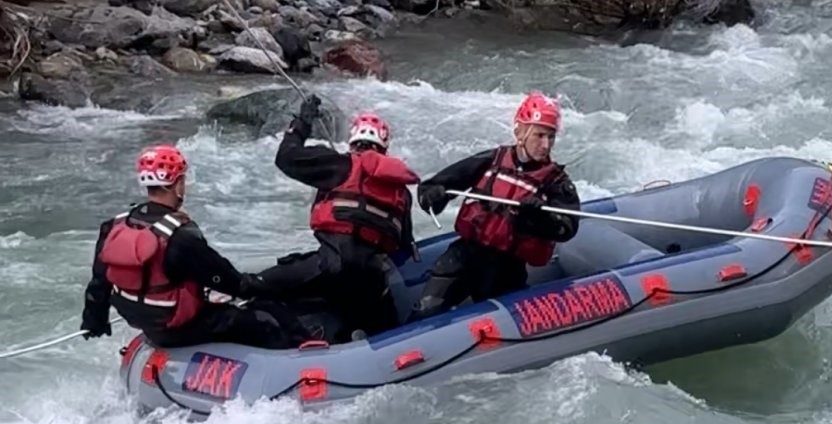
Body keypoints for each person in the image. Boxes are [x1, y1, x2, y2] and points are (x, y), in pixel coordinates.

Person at [79, 145, 315, 349]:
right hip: (180, 329)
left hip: (147, 324)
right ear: (177, 184)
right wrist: (267, 288)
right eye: (183, 179)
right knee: (264, 319)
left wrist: (94, 320)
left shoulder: (115, 226)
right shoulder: (181, 236)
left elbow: (99, 284)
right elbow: (232, 282)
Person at [408, 91, 581, 321]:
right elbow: (433, 187)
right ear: (521, 131)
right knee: (426, 311)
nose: (546, 144)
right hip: (465, 255)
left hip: (506, 268)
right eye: (539, 135)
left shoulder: (556, 182)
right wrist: (433, 195)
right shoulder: (492, 161)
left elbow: (567, 227)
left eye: (551, 137)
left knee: (498, 318)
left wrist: (538, 218)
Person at [260, 94, 420, 342]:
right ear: (384, 148)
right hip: (372, 283)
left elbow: (286, 157)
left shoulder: (338, 164)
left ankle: (291, 339)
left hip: (331, 268)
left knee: (256, 284)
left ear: (353, 141)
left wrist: (303, 122)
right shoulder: (401, 193)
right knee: (384, 328)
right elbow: (402, 244)